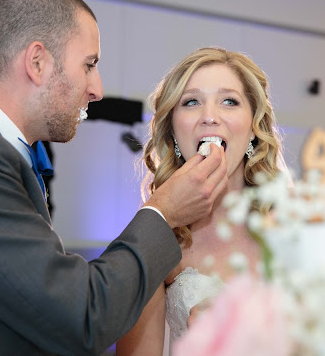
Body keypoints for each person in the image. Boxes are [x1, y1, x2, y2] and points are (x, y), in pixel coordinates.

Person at [0, 0, 228, 355]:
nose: (97, 88)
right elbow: (81, 315)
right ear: (37, 62)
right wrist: (162, 213)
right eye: (89, 64)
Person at [116, 47, 284, 355]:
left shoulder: (293, 232)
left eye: (229, 101)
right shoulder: (155, 239)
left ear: (253, 130)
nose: (209, 116)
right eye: (191, 101)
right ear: (174, 131)